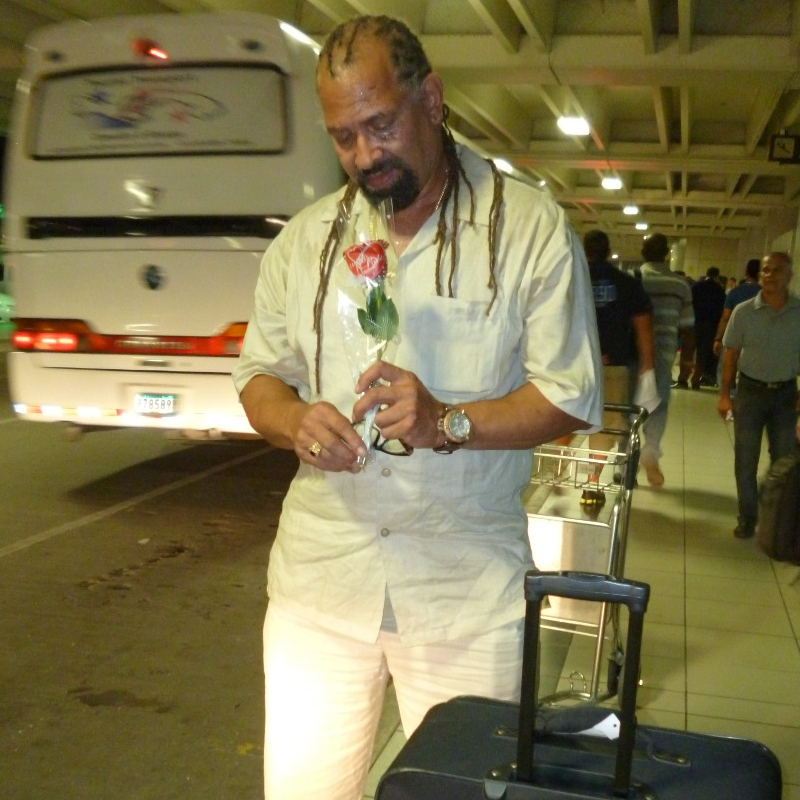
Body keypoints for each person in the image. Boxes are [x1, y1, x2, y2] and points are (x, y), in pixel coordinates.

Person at [232, 16, 603, 800]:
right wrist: (293, 420)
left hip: (465, 590)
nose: (365, 155)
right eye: (343, 137)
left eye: (380, 125)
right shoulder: (305, 244)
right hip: (319, 587)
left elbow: (568, 395)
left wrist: (448, 423)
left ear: (431, 100)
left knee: (462, 792)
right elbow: (258, 378)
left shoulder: (527, 230)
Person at [717, 251, 800, 539]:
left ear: (789, 276)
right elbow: (731, 355)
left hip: (786, 395)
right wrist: (725, 394)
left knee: (784, 462)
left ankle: (776, 520)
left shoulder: (799, 312)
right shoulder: (743, 311)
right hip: (750, 393)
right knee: (745, 459)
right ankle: (748, 518)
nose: (769, 275)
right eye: (765, 270)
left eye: (777, 271)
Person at [581, 229, 656, 504]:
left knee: (560, 414)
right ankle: (590, 484)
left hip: (573, 367)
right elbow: (643, 326)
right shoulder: (625, 282)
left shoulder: (571, 278)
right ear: (607, 248)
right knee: (607, 424)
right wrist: (647, 365)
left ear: (584, 249)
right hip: (613, 365)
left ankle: (555, 473)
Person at [637, 232, 695, 486]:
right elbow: (688, 327)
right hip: (664, 351)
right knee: (657, 406)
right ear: (666, 255)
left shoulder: (635, 280)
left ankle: (623, 464)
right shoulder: (680, 285)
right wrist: (687, 364)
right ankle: (650, 451)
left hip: (633, 351)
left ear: (643, 254)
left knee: (628, 408)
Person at [689, 266, 726, 389]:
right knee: (702, 353)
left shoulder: (696, 286)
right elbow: (721, 310)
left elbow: (690, 302)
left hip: (694, 322)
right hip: (710, 325)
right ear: (716, 275)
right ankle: (696, 378)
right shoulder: (719, 290)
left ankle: (683, 377)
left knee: (689, 350)